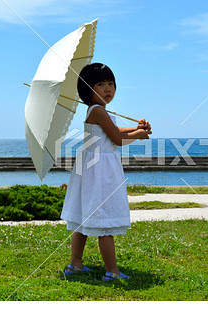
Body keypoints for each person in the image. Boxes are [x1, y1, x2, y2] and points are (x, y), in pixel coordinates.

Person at [60, 63, 151, 281]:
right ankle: (112, 271)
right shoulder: (98, 110)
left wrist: (137, 128)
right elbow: (116, 139)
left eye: (111, 83)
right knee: (105, 220)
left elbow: (115, 129)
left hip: (94, 167)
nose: (108, 88)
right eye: (100, 84)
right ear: (87, 89)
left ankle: (75, 264)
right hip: (100, 171)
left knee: (84, 218)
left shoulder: (98, 110)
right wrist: (139, 134)